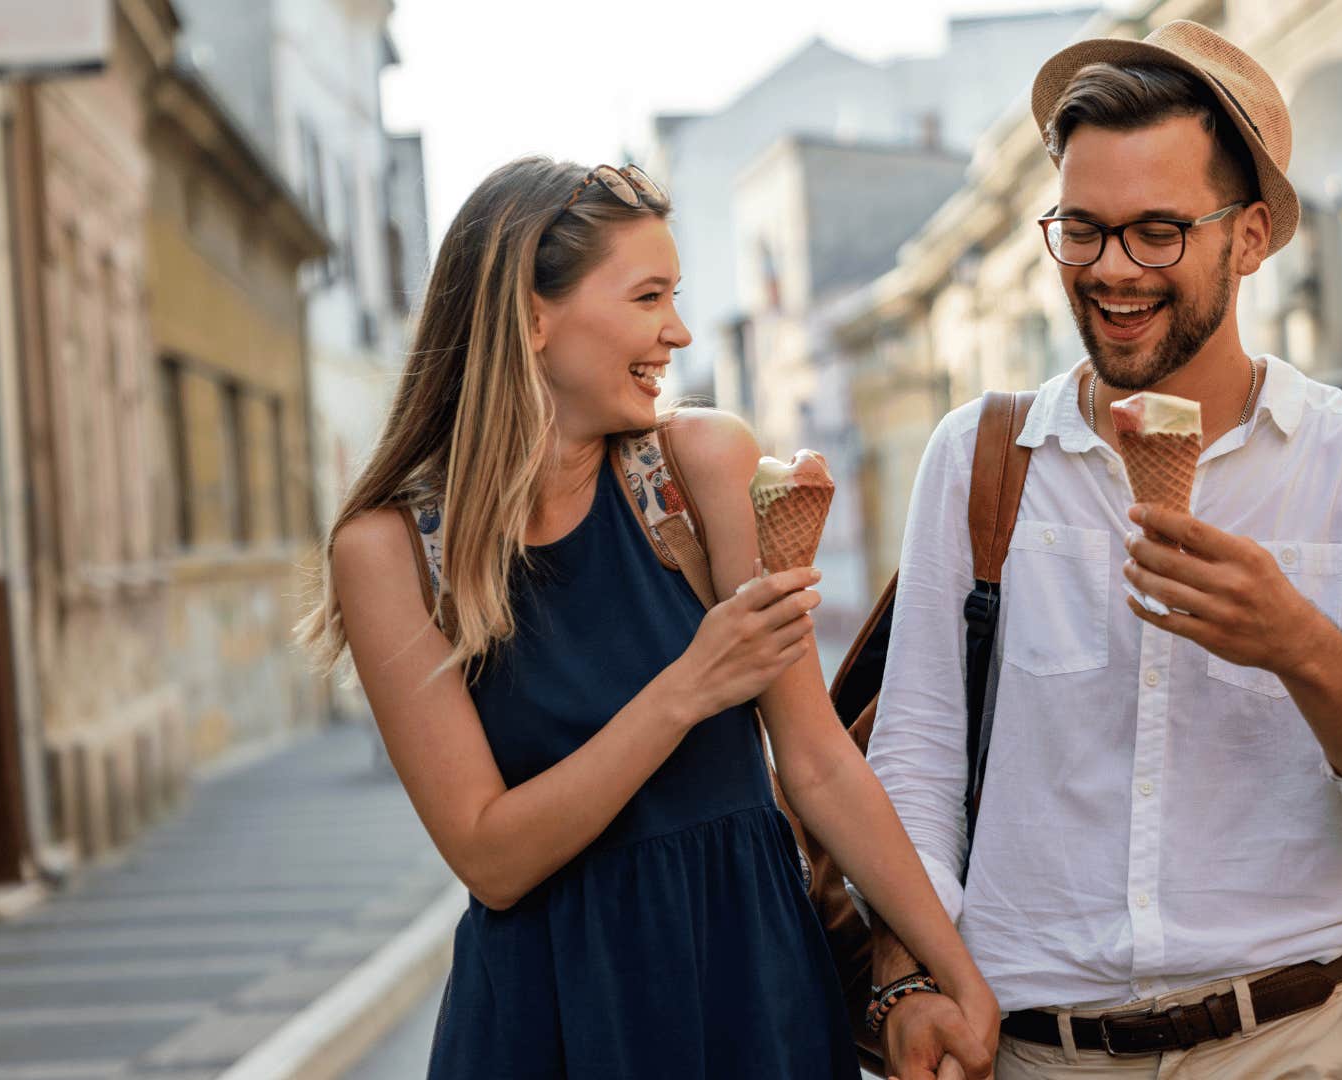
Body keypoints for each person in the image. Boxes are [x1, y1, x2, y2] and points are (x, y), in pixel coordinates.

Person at [863, 22, 1342, 1079]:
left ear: (1247, 239)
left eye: (1157, 232)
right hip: (1035, 1050)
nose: (1112, 271)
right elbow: (919, 761)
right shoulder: (981, 456)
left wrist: (1299, 644)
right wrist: (907, 973)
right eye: (1083, 229)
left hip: (1294, 1039)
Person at [298, 157, 997, 1079]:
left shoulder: (701, 468)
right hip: (551, 1016)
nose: (677, 331)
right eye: (648, 296)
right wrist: (690, 687)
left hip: (753, 986)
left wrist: (955, 978)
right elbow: (490, 855)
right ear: (531, 314)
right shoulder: (389, 551)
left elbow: (819, 761)